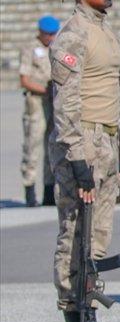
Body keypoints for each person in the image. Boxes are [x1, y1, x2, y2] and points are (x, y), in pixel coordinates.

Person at [48, 0, 120, 322]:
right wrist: (77, 158)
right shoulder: (72, 36)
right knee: (75, 234)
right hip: (82, 141)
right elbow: (65, 103)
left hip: (105, 141)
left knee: (97, 235)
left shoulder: (101, 29)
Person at [20, 15, 57, 207]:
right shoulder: (30, 48)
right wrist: (45, 90)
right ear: (40, 32)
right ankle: (30, 190)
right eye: (47, 34)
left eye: (53, 34)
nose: (50, 37)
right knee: (32, 145)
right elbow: (24, 80)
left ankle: (49, 192)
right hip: (36, 102)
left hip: (53, 102)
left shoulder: (56, 48)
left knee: (52, 146)